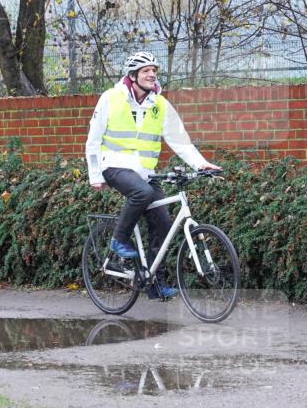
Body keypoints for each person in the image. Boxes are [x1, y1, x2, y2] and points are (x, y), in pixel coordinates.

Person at [86, 51, 220, 299]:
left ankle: (153, 282)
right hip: (113, 165)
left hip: (145, 172)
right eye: (146, 70)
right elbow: (93, 140)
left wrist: (201, 165)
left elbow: (180, 141)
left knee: (163, 223)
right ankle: (119, 240)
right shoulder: (111, 98)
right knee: (142, 193)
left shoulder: (160, 104)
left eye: (154, 71)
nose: (152, 75)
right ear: (133, 75)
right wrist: (95, 174)